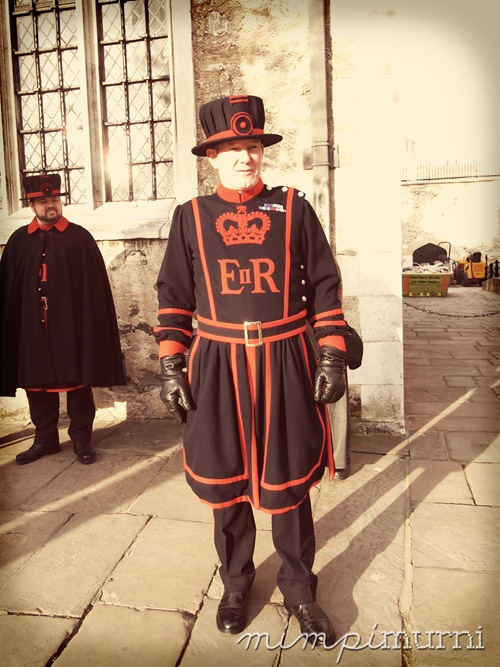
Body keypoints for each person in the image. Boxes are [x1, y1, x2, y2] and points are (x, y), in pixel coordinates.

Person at [154, 95, 347, 647]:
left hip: (285, 357)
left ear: (262, 150)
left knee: (287, 482)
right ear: (211, 157)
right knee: (226, 481)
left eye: (252, 146)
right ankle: (236, 583)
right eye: (231, 148)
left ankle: (300, 589)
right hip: (216, 362)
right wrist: (172, 364)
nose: (245, 156)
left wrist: (330, 352)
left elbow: (326, 285)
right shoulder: (189, 217)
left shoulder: (293, 208)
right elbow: (173, 296)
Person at [0, 173, 126, 465]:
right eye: (43, 202)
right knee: (36, 382)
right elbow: (9, 289)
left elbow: (93, 291)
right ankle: (45, 438)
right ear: (32, 205)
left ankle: (81, 437)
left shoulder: (79, 238)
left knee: (77, 381)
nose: (51, 206)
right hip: (32, 327)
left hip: (71, 326)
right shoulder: (19, 241)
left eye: (54, 200)